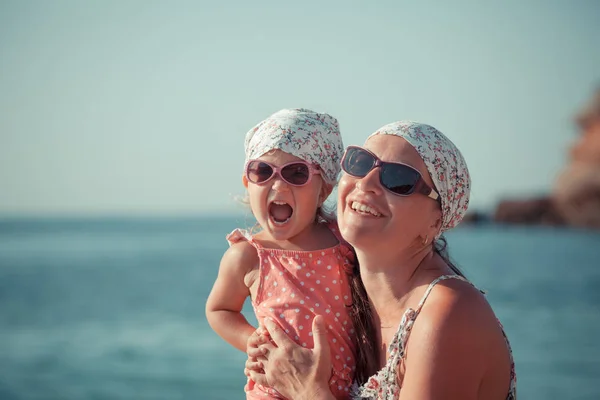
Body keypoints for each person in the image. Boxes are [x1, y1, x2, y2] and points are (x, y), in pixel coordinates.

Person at [246, 121, 517, 399]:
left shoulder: (449, 314)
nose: (367, 182)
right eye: (360, 163)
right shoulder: (350, 304)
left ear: (435, 223)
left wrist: (306, 390)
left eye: (399, 179)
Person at [205, 108, 357, 399]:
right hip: (272, 389)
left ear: (323, 188)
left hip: (341, 389)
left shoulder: (345, 242)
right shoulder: (248, 256)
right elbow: (219, 309)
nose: (277, 184)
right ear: (248, 183)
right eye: (262, 171)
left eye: (296, 173)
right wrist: (250, 340)